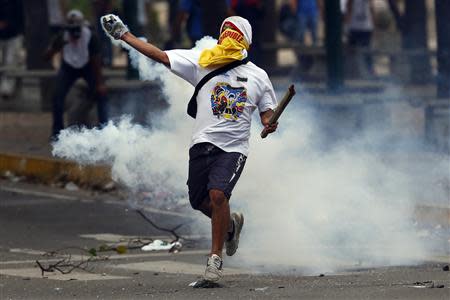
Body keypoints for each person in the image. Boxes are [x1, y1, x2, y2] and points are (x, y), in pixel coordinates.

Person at [101, 14, 278, 283]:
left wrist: (270, 123)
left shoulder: (259, 76)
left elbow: (267, 115)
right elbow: (160, 56)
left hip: (233, 149)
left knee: (218, 194)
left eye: (234, 32)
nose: (228, 37)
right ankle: (230, 226)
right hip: (201, 144)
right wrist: (124, 35)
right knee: (200, 200)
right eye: (225, 32)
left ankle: (214, 262)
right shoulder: (202, 62)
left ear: (246, 41)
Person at [45, 9, 108, 139]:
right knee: (57, 95)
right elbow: (46, 56)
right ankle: (57, 131)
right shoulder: (63, 35)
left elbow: (96, 61)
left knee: (101, 94)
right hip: (68, 67)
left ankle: (104, 129)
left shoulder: (90, 35)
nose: (74, 33)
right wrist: (55, 46)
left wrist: (100, 83)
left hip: (88, 66)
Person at [0, 0, 24, 98]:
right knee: (6, 61)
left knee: (11, 61)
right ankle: (6, 86)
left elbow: (20, 15)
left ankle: (7, 89)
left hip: (13, 34)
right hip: (7, 32)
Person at [345, 0, 375, 74]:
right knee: (352, 50)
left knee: (367, 50)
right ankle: (351, 70)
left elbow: (372, 9)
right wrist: (347, 25)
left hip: (365, 27)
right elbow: (348, 8)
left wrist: (373, 24)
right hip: (355, 27)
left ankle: (370, 70)